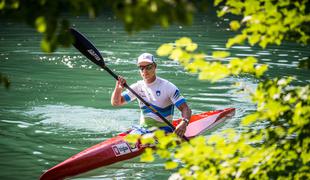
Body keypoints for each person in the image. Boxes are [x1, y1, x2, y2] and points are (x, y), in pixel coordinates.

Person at [111, 53, 192, 137]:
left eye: (148, 67)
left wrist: (184, 123)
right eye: (141, 68)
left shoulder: (168, 87)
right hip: (143, 129)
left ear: (155, 67)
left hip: (164, 130)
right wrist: (118, 88)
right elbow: (116, 103)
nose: (144, 71)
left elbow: (186, 108)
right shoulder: (138, 87)